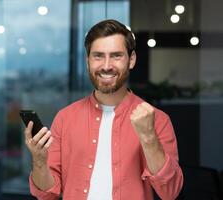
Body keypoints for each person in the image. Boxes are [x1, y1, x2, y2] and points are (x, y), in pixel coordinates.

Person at [24, 19, 183, 200]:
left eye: (116, 56)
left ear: (131, 60)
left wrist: (148, 138)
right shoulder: (65, 118)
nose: (106, 66)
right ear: (88, 61)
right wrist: (38, 160)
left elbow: (170, 192)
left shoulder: (158, 120)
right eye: (98, 56)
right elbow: (46, 195)